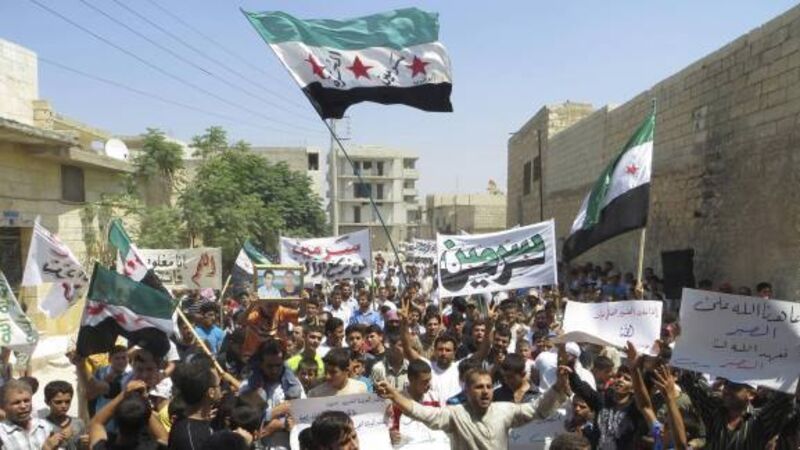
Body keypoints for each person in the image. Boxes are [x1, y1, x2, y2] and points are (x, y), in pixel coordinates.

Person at [376, 366, 570, 450]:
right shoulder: (455, 414)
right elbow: (422, 413)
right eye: (479, 387)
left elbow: (537, 410)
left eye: (489, 387)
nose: (485, 392)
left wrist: (557, 387)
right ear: (467, 391)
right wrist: (395, 395)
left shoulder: (505, 410)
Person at [239, 339, 304, 449]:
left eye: (278, 365)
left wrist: (285, 425)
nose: (274, 370)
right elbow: (243, 419)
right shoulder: (247, 387)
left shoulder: (293, 385)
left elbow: (303, 419)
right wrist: (274, 413)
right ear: (260, 364)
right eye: (269, 366)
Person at [88, 379, 169, 450]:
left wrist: (124, 394)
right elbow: (164, 438)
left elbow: (96, 423)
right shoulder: (154, 448)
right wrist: (143, 400)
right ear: (146, 423)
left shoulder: (103, 447)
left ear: (116, 419)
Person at [168, 354, 221, 450]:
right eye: (218, 385)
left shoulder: (203, 421)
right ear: (211, 392)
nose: (221, 388)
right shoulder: (191, 437)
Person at [0, 379, 63, 450]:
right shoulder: (2, 434)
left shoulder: (44, 427)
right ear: (3, 406)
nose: (23, 406)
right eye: (16, 403)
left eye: (26, 401)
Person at [42, 380, 88, 450]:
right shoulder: (41, 426)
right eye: (58, 402)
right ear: (47, 402)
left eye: (67, 401)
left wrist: (86, 444)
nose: (64, 405)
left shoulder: (78, 424)